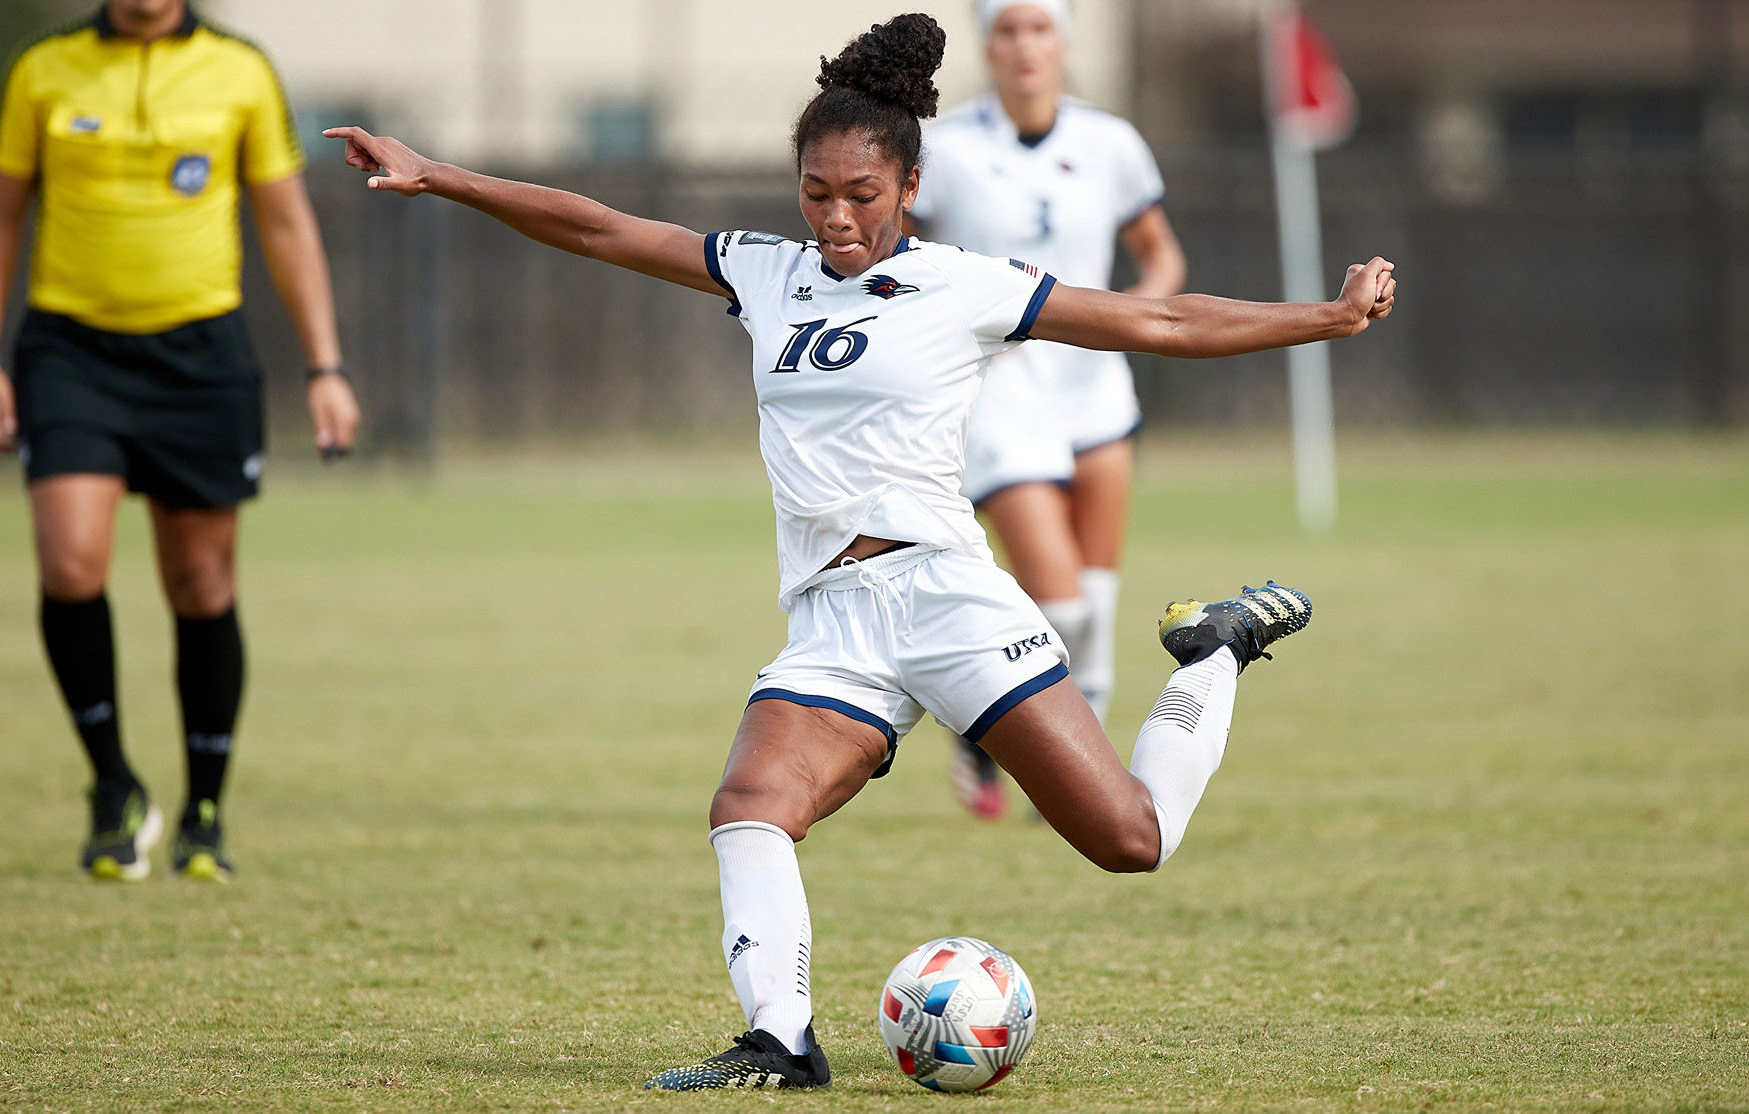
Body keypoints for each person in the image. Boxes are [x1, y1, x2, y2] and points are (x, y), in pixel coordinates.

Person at [325, 11, 1390, 1091]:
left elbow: (1159, 322)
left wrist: (1327, 318)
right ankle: (780, 1040)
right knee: (749, 805)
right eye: (816, 192)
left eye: (862, 195)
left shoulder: (968, 286)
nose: (836, 216)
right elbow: (600, 228)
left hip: (946, 598)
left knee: (1130, 840)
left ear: (911, 186)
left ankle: (1214, 650)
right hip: (834, 620)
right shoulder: (763, 272)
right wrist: (438, 175)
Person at [0, 0, 361, 882]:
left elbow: (286, 222)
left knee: (202, 582)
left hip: (201, 355)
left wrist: (325, 365)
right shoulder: (43, 68)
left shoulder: (240, 69)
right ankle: (113, 786)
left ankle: (204, 812)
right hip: (71, 351)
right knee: (70, 564)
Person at [907, 0, 1187, 822]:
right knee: (1058, 603)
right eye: (1008, 29)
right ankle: (980, 724)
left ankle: (1078, 791)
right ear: (987, 42)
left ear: (1063, 39)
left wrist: (1130, 315)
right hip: (999, 388)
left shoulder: (1110, 141)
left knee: (1095, 606)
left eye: (1040, 28)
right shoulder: (946, 148)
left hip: (1094, 385)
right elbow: (901, 257)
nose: (1025, 45)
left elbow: (1161, 256)